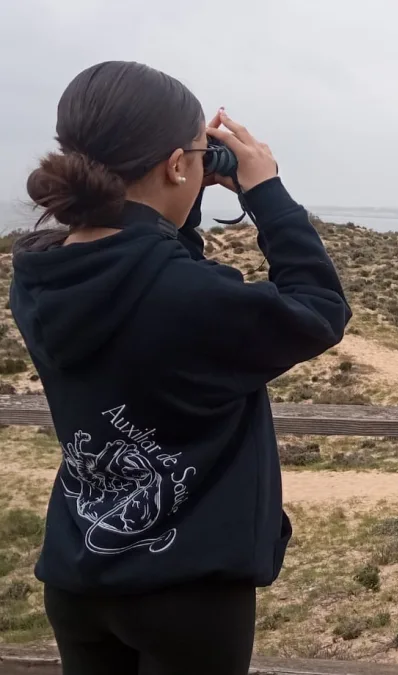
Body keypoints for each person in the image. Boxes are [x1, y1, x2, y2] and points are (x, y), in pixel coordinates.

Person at [9, 61, 351, 675]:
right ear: (175, 164)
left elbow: (143, 261)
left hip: (78, 574)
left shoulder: (38, 275)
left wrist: (179, 195)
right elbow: (320, 310)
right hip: (187, 590)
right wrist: (264, 190)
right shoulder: (187, 296)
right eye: (197, 152)